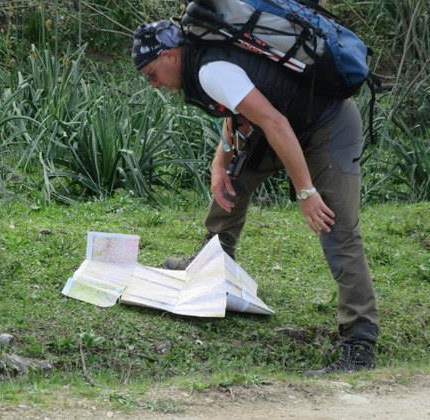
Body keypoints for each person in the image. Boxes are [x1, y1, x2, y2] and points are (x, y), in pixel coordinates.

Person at [132, 20, 378, 375]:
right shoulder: (206, 62)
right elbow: (238, 112)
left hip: (329, 125)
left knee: (335, 226)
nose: (153, 84)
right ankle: (214, 261)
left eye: (151, 74)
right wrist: (220, 163)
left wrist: (306, 191)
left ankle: (359, 343)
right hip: (288, 124)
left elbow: (275, 123)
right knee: (235, 176)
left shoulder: (208, 68)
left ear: (170, 55)